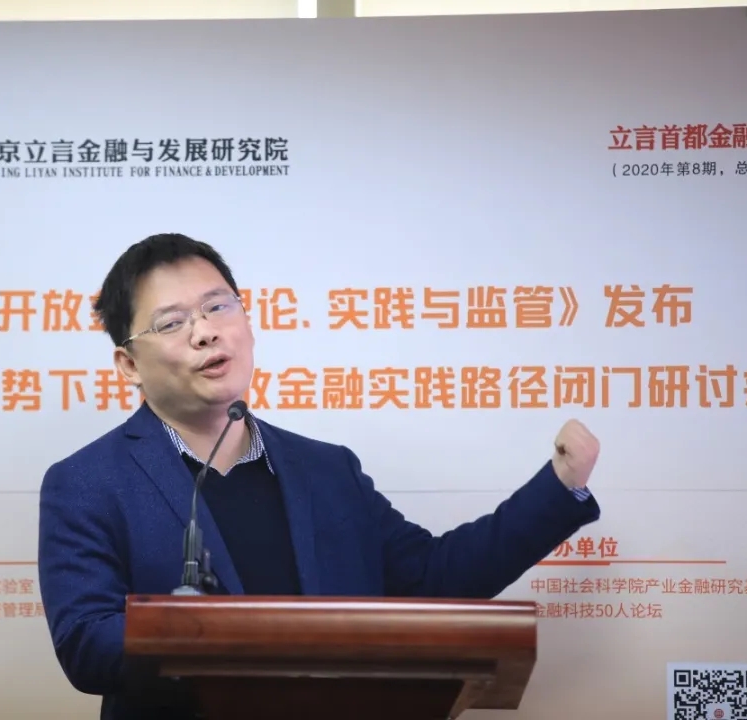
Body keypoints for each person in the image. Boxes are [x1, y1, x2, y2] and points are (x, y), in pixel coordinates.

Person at [37, 233, 602, 720]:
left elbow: (431, 580)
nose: (205, 332)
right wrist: (210, 635)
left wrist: (559, 487)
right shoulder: (86, 482)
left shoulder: (328, 470)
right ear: (128, 364)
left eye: (217, 307)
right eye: (172, 323)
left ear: (247, 323)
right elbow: (86, 644)